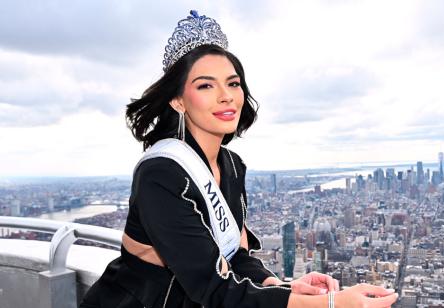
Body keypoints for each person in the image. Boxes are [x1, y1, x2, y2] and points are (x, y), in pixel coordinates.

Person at [80, 10, 399, 308]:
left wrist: (282, 285)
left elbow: (235, 256)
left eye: (233, 83)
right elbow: (213, 288)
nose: (226, 95)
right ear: (178, 100)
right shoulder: (161, 174)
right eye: (205, 85)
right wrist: (328, 304)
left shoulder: (232, 166)